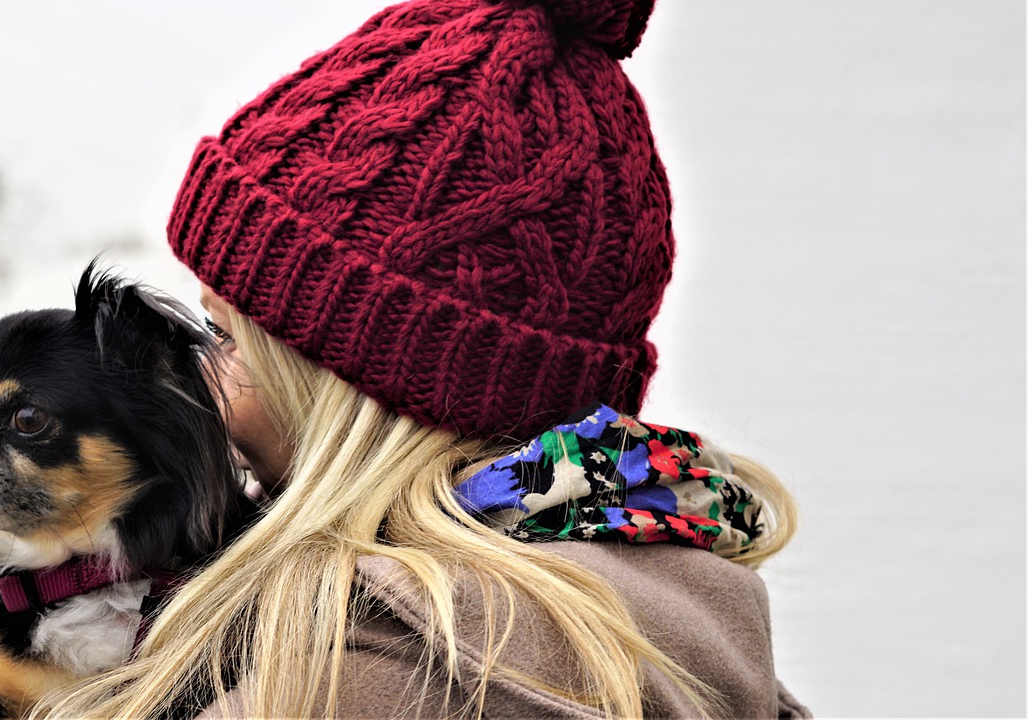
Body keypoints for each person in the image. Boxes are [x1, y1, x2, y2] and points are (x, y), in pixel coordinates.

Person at [41, 0, 810, 716]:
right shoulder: (677, 600)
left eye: (227, 339)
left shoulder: (365, 682)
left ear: (348, 388)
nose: (197, 386)